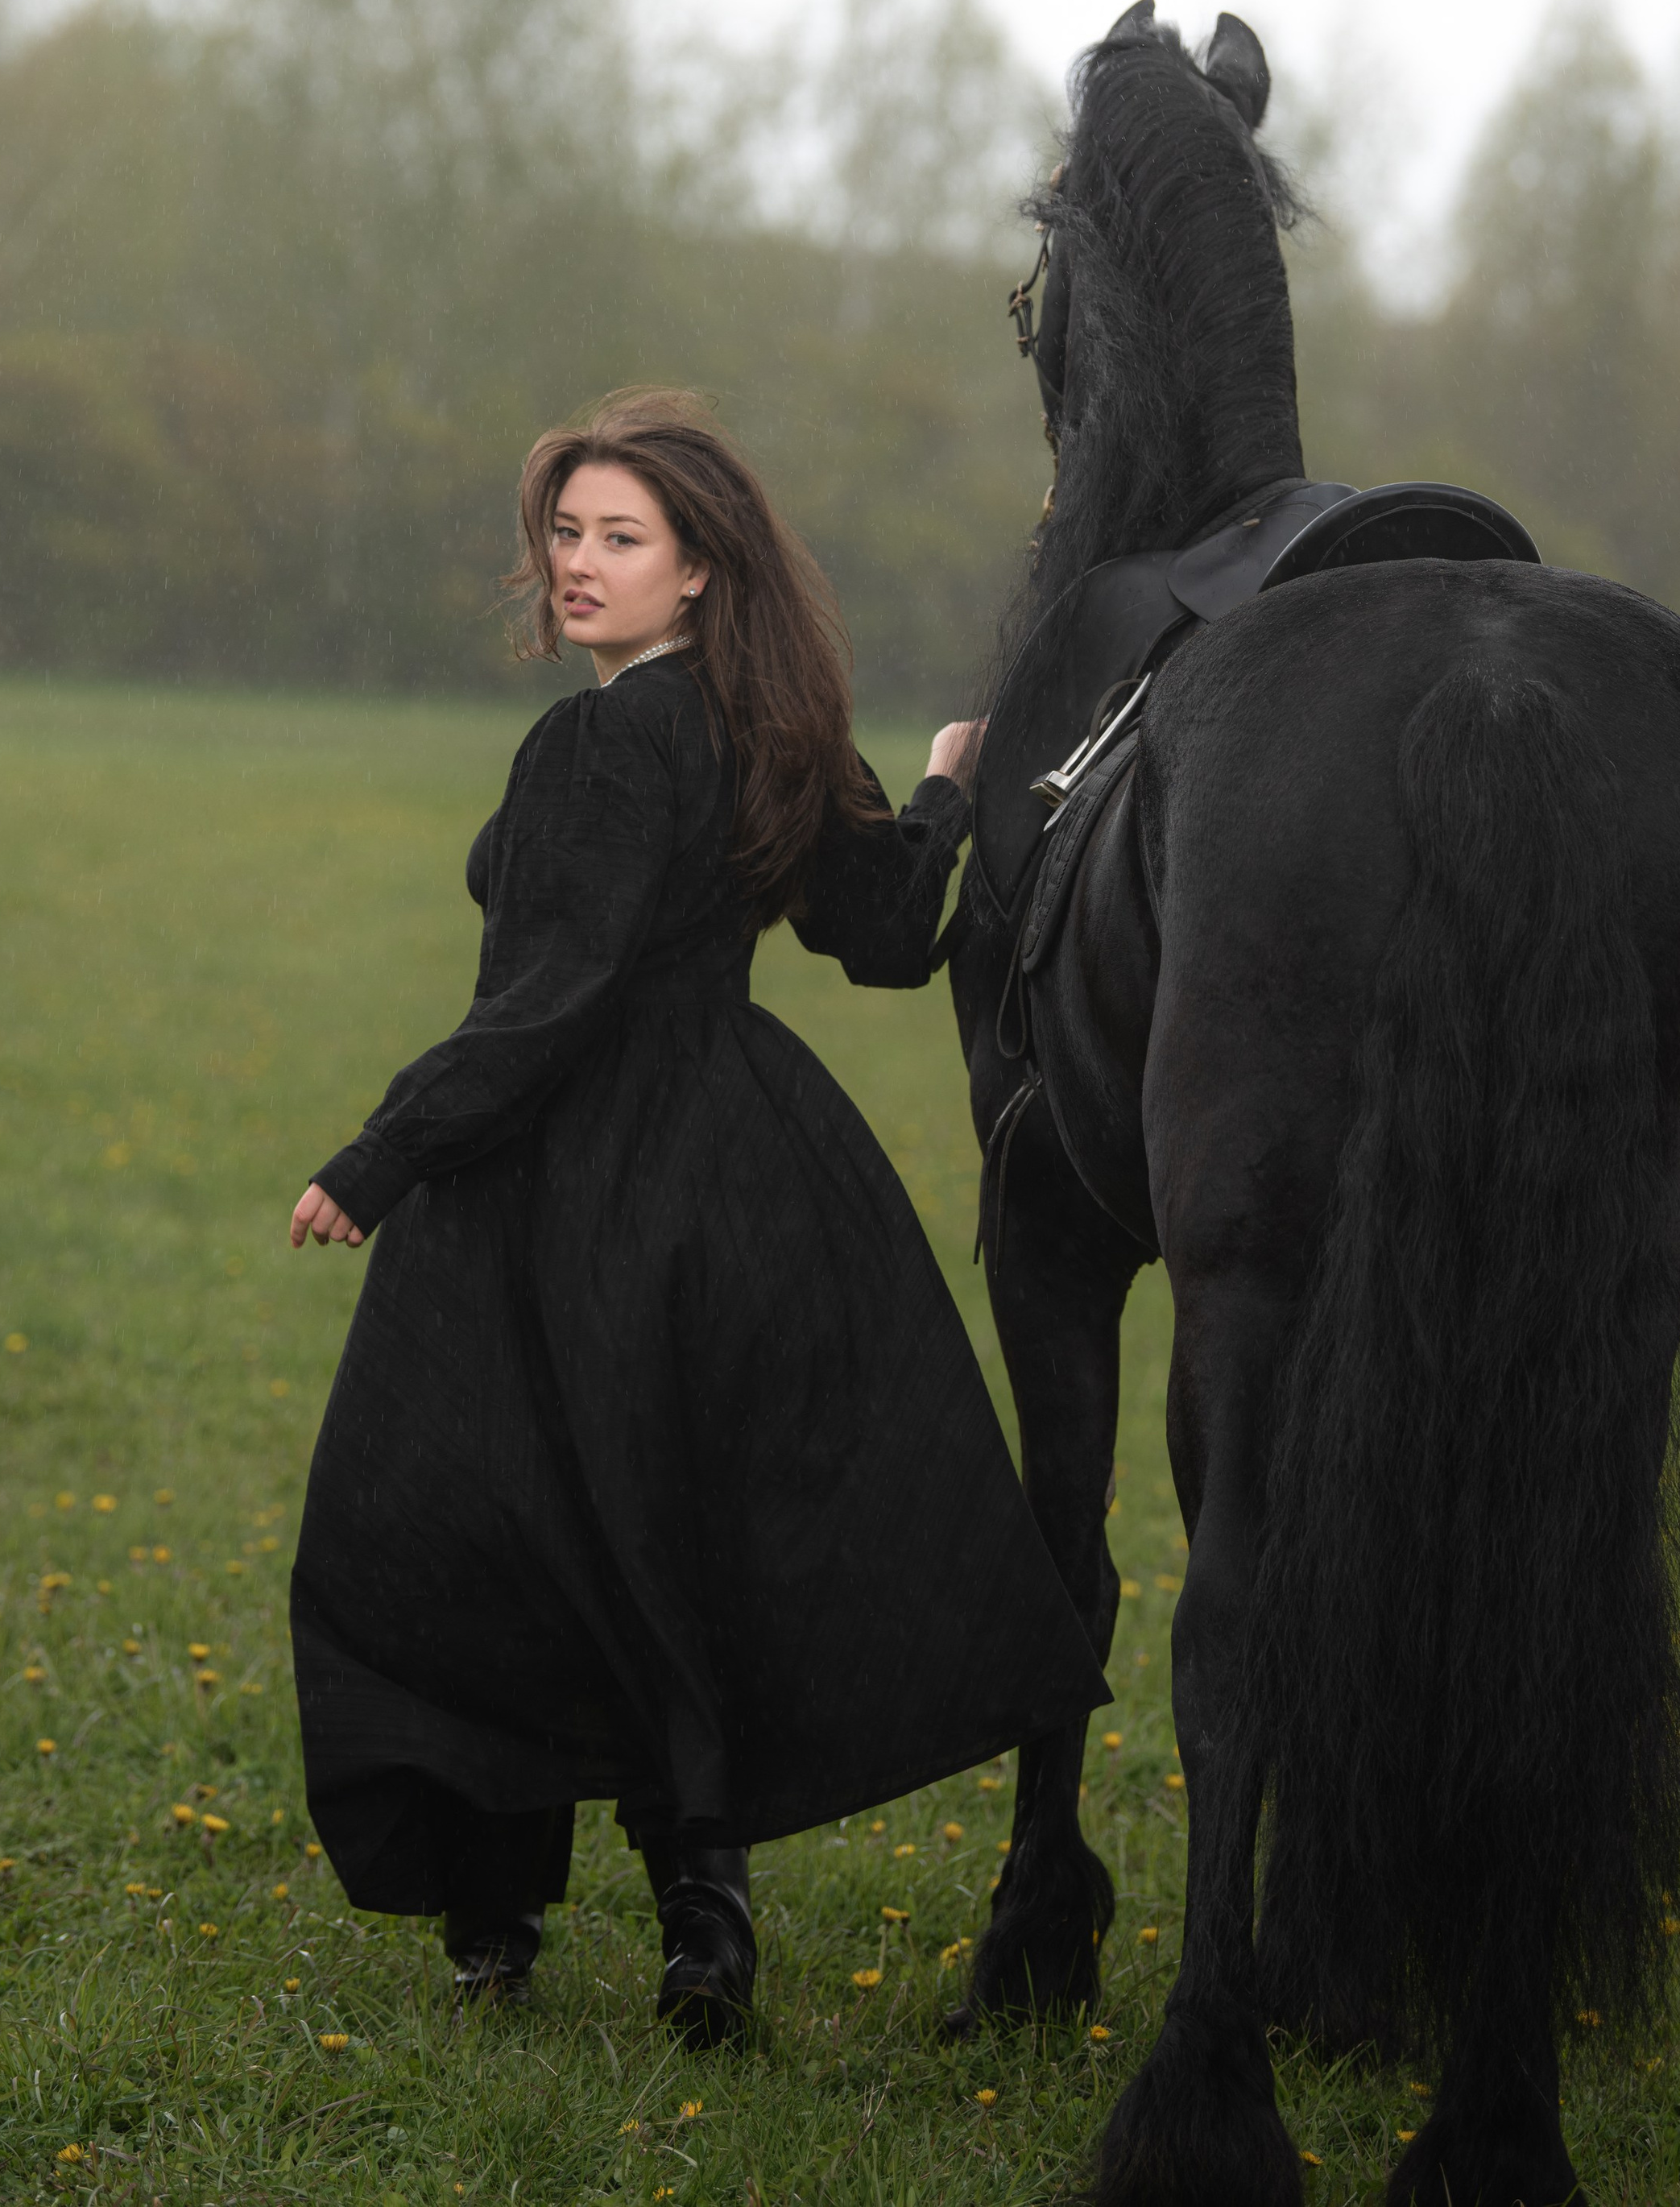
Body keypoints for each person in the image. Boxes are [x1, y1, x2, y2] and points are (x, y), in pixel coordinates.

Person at [288, 390, 1103, 2043]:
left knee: (445, 1519)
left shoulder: (598, 742)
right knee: (662, 1523)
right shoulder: (777, 734)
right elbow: (890, 934)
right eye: (565, 534)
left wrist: (381, 1157)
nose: (577, 564)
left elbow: (547, 1001)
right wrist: (940, 796)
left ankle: (501, 1908)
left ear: (700, 570)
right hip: (741, 1174)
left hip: (562, 1181)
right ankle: (699, 1912)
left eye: (620, 538)